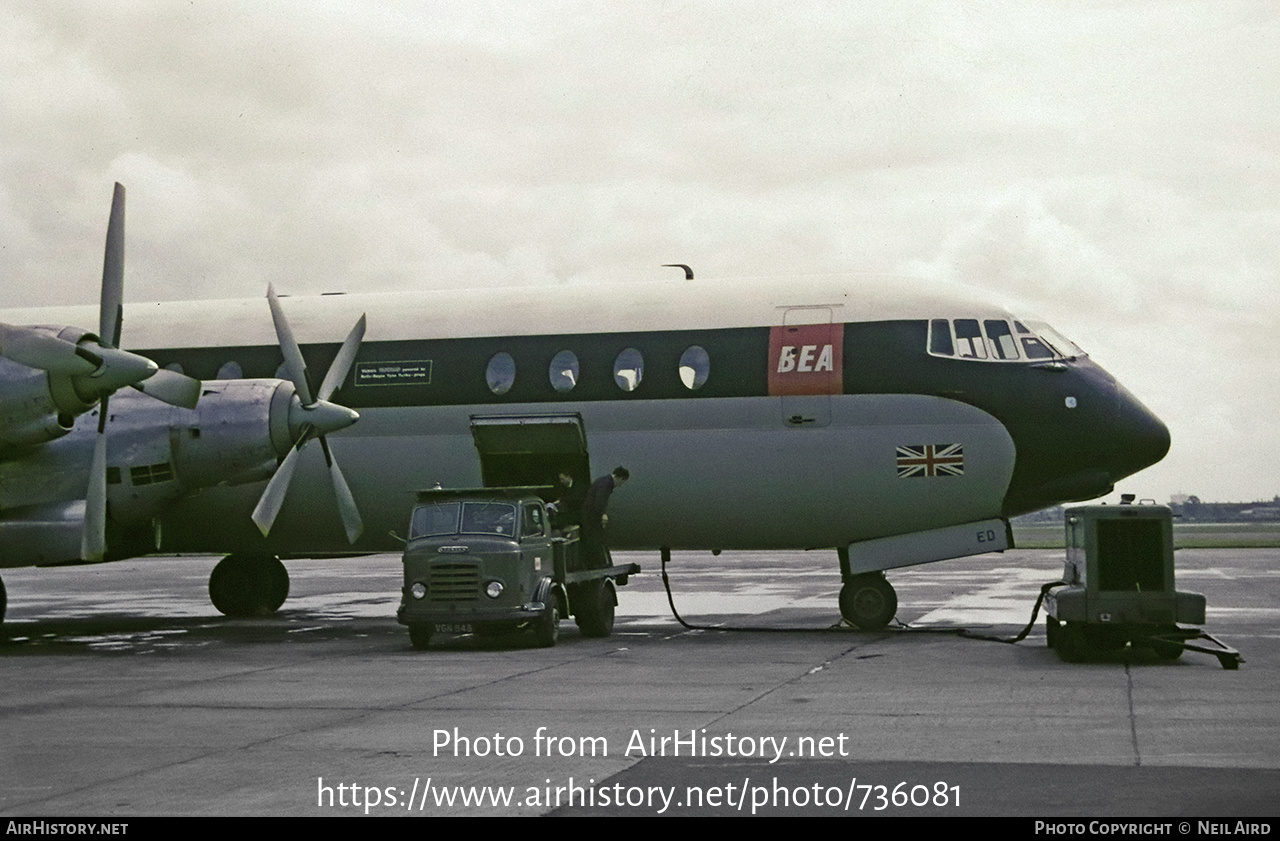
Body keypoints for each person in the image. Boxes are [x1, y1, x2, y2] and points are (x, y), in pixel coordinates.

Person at [580, 466, 629, 569]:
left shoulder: (602, 480)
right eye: (622, 482)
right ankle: (598, 563)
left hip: (588, 514)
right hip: (592, 515)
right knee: (596, 539)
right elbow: (600, 500)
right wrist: (603, 514)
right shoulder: (606, 484)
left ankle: (596, 562)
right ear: (619, 478)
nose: (620, 485)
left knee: (593, 538)